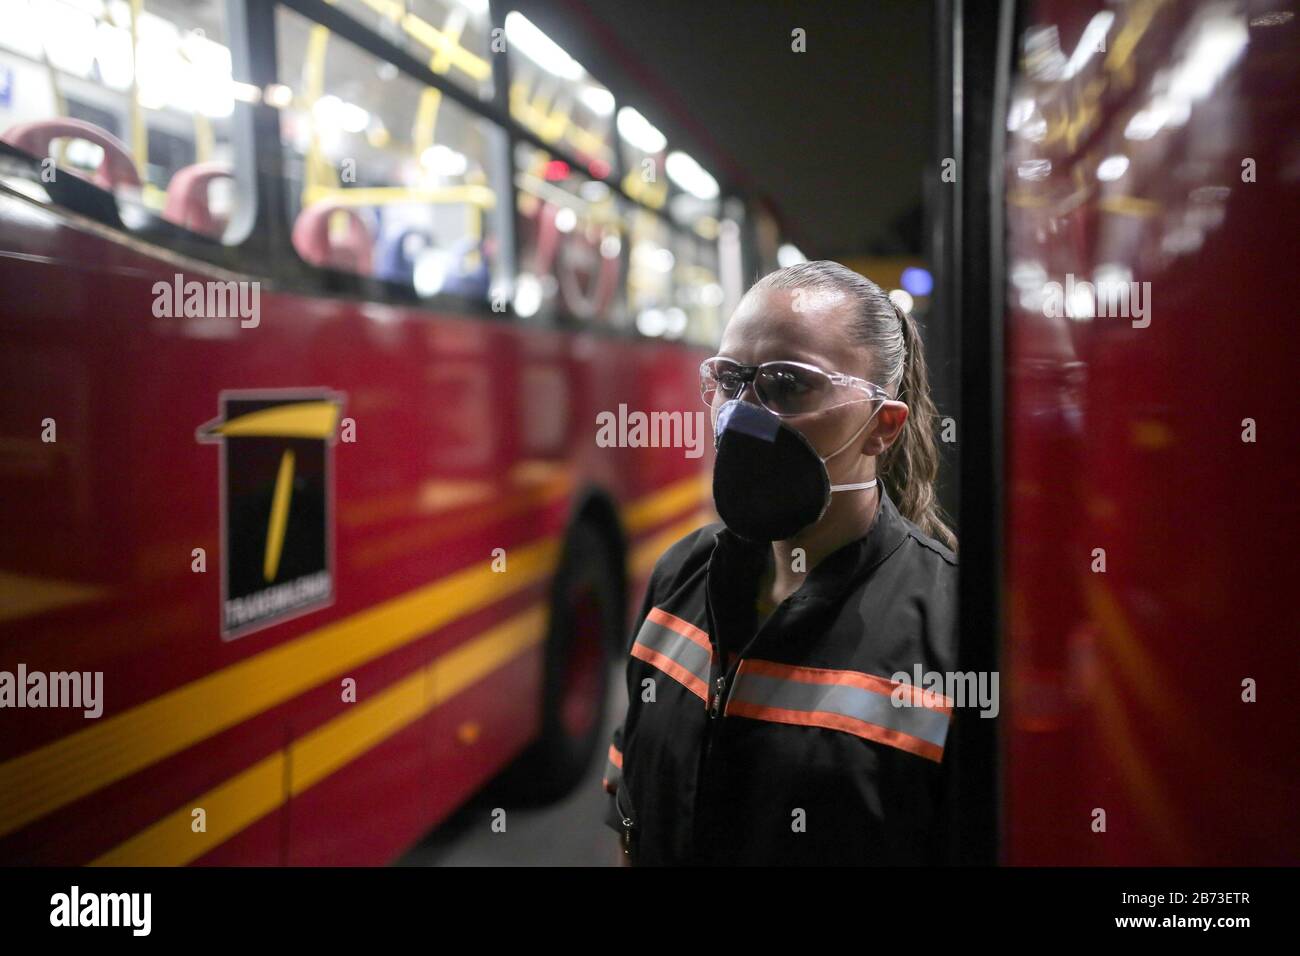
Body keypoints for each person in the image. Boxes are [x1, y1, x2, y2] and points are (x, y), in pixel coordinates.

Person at [601, 260, 959, 866]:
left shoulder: (949, 632)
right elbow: (632, 818)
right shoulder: (679, 578)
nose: (741, 414)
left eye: (787, 384)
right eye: (730, 379)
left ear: (883, 426)